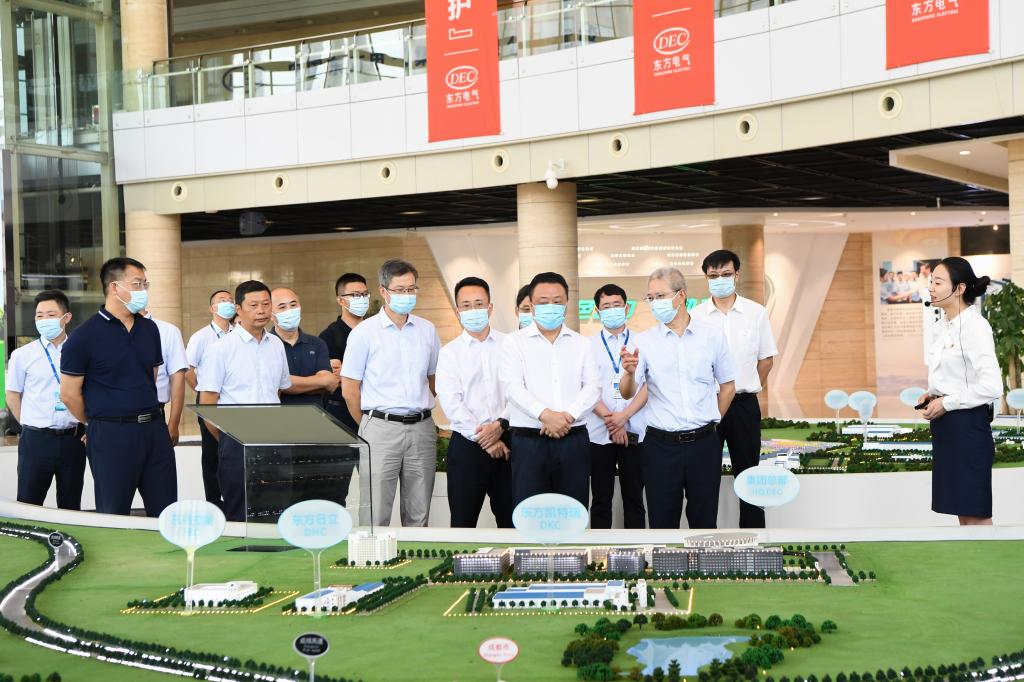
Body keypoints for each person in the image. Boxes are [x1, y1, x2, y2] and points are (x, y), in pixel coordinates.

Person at [619, 267, 736, 530]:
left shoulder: (712, 336)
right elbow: (627, 392)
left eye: (660, 296)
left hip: (704, 445)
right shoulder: (644, 341)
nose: (654, 303)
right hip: (661, 447)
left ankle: (703, 560)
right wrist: (628, 373)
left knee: (704, 523)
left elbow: (728, 386)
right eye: (650, 298)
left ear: (681, 295)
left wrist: (711, 421)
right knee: (662, 524)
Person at [60, 257, 176, 517]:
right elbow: (68, 394)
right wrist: (98, 421)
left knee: (166, 511)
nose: (143, 290)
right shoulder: (83, 336)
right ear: (114, 287)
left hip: (154, 430)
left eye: (145, 284)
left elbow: (151, 377)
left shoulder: (150, 329)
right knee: (114, 513)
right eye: (137, 284)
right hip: (112, 434)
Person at [341, 259, 441, 527]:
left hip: (421, 427)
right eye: (399, 290)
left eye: (411, 289)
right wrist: (368, 423)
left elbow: (433, 380)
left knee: (419, 511)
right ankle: (371, 555)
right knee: (375, 513)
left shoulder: (427, 330)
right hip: (380, 427)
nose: (407, 295)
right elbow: (350, 390)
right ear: (383, 291)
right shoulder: (363, 333)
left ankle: (415, 554)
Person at [499, 272, 600, 509]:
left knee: (573, 511)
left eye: (557, 301)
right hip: (529, 441)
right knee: (530, 512)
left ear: (566, 304)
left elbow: (594, 386)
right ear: (532, 306)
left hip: (572, 439)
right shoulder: (513, 342)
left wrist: (567, 417)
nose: (550, 306)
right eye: (543, 302)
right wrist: (545, 415)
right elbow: (512, 386)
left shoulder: (582, 343)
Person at [692, 250, 778, 528]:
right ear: (706, 278)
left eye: (726, 274)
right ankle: (704, 536)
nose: (720, 280)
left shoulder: (756, 312)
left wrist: (748, 386)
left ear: (737, 275)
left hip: (743, 405)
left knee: (749, 472)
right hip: (708, 405)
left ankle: (754, 536)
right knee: (704, 473)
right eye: (713, 276)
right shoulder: (695, 316)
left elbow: (766, 360)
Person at [197, 280, 291, 522]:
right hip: (236, 439)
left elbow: (278, 390)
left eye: (266, 304)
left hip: (274, 437)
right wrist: (228, 438)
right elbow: (207, 403)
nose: (261, 310)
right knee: (240, 511)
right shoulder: (220, 348)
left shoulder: (276, 345)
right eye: (254, 305)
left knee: (276, 508)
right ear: (238, 309)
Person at [917, 257, 1000, 526]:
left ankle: (989, 557)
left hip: (968, 428)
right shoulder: (945, 325)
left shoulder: (976, 327)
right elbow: (956, 377)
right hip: (948, 429)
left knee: (975, 514)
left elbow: (992, 386)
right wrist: (933, 394)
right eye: (931, 282)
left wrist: (946, 403)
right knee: (963, 514)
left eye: (938, 282)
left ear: (959, 288)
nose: (931, 288)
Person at [436, 276, 513, 528]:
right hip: (467, 446)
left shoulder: (510, 345)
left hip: (509, 443)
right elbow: (451, 402)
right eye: (466, 305)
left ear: (490, 307)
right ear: (458, 311)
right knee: (462, 522)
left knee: (512, 523)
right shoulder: (449, 353)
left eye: (479, 304)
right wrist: (486, 438)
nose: (473, 310)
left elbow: (519, 392)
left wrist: (500, 426)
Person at [6, 290, 86, 509]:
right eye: (39, 316)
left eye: (50, 315)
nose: (44, 320)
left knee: (71, 505)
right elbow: (12, 395)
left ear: (66, 318)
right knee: (29, 503)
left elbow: (91, 392)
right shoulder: (23, 355)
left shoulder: (81, 352)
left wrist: (89, 424)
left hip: (73, 439)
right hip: (36, 440)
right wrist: (29, 424)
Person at [584, 284, 648, 529]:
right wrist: (612, 420)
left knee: (635, 498)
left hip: (635, 430)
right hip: (599, 433)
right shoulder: (587, 345)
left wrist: (624, 417)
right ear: (597, 311)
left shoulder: (643, 342)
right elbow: (586, 388)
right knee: (601, 499)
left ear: (626, 307)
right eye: (606, 306)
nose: (612, 310)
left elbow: (649, 385)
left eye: (616, 305)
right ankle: (600, 549)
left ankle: (637, 548)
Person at [185, 289, 234, 507]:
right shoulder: (201, 336)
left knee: (233, 451)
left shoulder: (238, 333)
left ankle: (234, 499)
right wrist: (202, 390)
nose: (228, 303)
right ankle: (214, 502)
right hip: (210, 401)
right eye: (222, 301)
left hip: (233, 402)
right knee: (212, 454)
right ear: (212, 308)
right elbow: (188, 369)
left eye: (230, 300)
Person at [319, 273, 370, 432]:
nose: (362, 299)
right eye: (355, 295)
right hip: (341, 413)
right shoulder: (328, 336)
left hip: (376, 412)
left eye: (365, 294)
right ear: (340, 300)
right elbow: (334, 378)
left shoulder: (376, 330)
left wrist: (349, 373)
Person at [271, 287, 338, 405]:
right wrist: (319, 382)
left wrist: (288, 385)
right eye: (282, 307)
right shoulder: (266, 344)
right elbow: (275, 384)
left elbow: (329, 383)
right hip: (278, 415)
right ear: (270, 315)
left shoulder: (317, 343)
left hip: (315, 414)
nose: (289, 310)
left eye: (293, 305)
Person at [142, 309, 188, 446]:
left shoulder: (167, 330)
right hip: (115, 416)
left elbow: (178, 378)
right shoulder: (109, 329)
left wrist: (174, 423)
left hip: (154, 413)